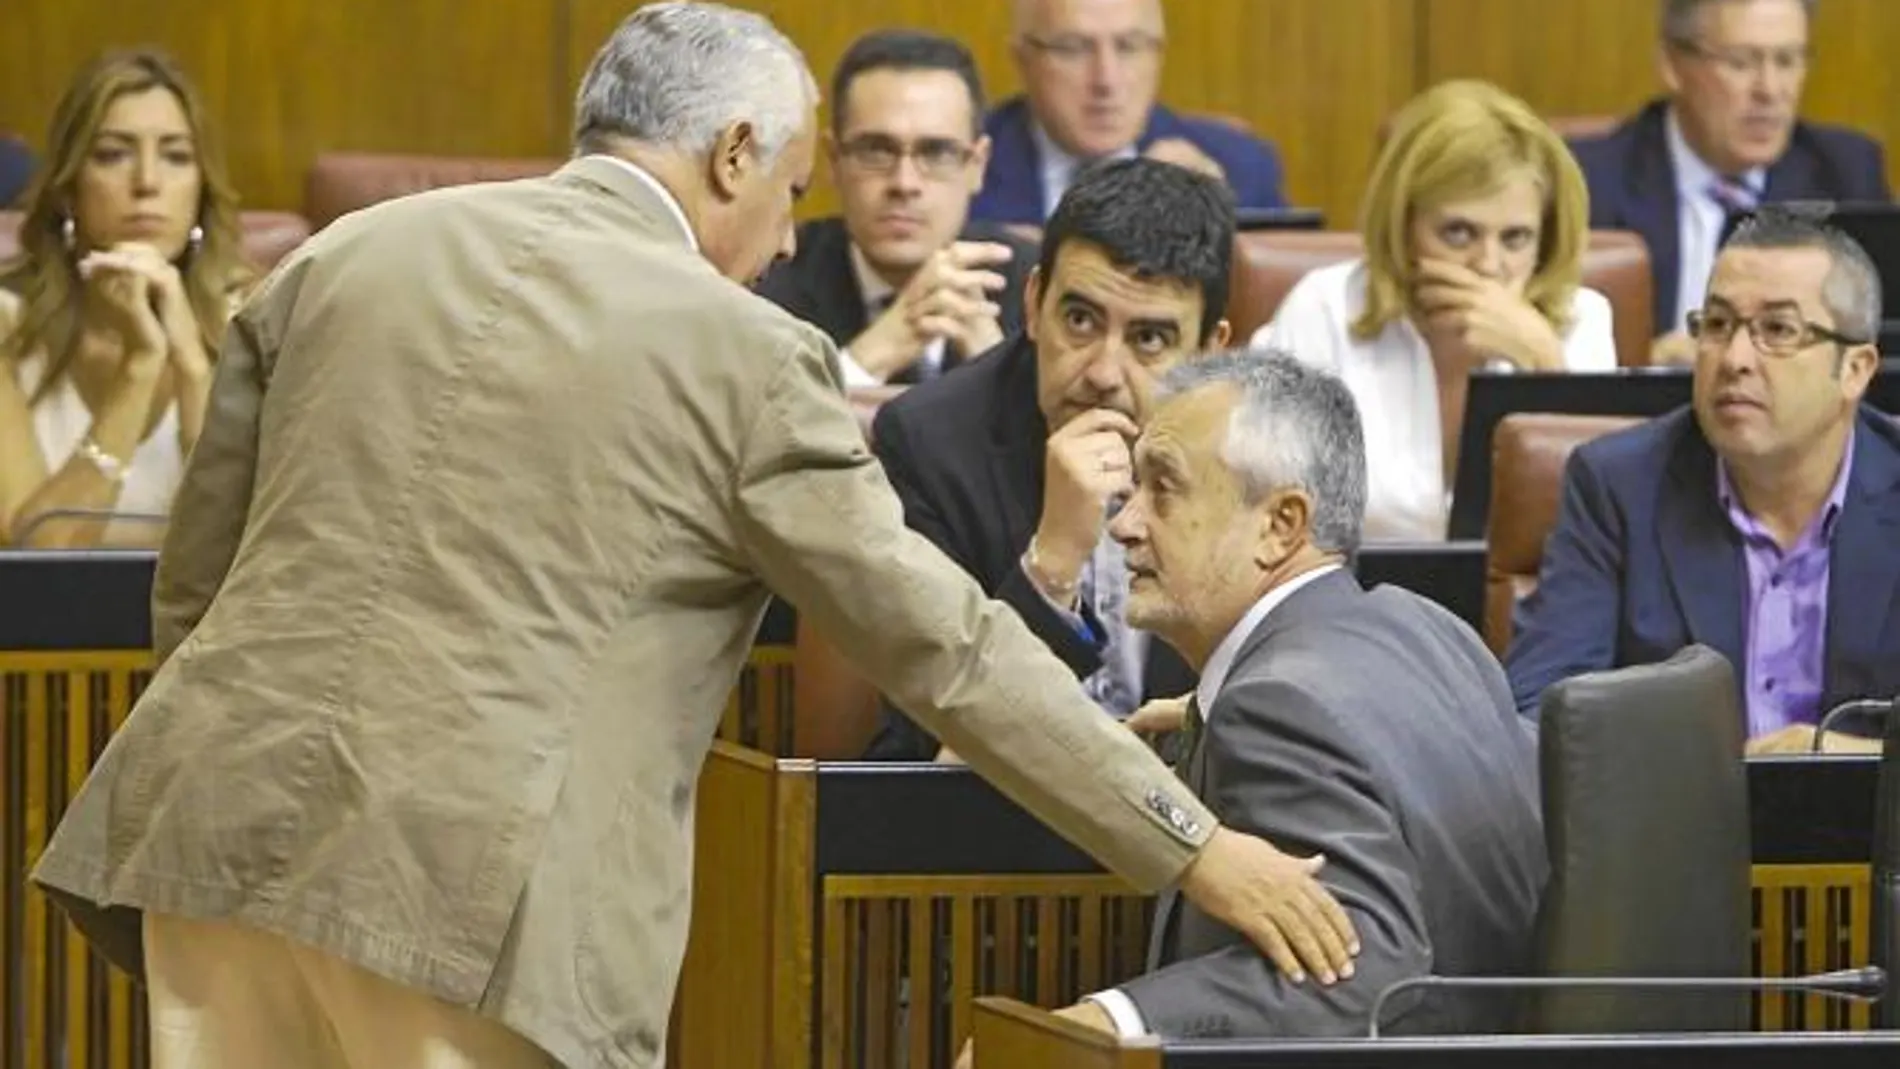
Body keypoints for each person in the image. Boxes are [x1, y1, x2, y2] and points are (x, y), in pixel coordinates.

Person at [28, 6, 1357, 1069]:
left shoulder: (346, 253)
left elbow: (197, 577)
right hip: (462, 900)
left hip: (210, 840)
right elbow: (941, 645)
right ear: (731, 153)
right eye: (789, 191)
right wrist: (1192, 843)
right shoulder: (746, 350)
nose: (788, 240)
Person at [960, 351, 1543, 1061]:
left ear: (1281, 524)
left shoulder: (1276, 703)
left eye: (1164, 488)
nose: (1124, 524)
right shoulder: (1427, 628)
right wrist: (1211, 721)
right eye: (1133, 485)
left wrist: (1110, 1021)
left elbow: (1359, 976)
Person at [862, 157, 1233, 762]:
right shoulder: (932, 442)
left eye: (1149, 340)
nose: (1104, 374)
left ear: (1211, 351)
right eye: (1080, 320)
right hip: (992, 812)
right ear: (1033, 304)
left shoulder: (1257, 452)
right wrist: (1053, 560)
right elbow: (930, 735)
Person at [1505, 206, 1899, 755]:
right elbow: (1540, 715)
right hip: (1674, 831)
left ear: (1854, 369)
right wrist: (1716, 773)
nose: (1734, 358)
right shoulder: (1618, 486)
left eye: (1777, 330)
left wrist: (1844, 756)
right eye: (1717, 325)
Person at [1254, 79, 1616, 541]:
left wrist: (1545, 368)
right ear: (1404, 224)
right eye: (1459, 234)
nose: (1488, 266)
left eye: (1515, 239)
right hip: (1356, 599)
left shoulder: (1579, 321)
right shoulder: (1324, 308)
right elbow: (1264, 505)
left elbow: (1596, 526)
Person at [0, 49, 252, 548]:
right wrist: (140, 366)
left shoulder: (255, 318)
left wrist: (195, 372)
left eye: (176, 156)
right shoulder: (8, 324)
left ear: (200, 190)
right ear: (69, 189)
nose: (148, 183)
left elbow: (239, 555)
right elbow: (33, 559)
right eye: (113, 153)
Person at [1570, 0, 1889, 363]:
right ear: (1672, 64)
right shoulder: (1588, 180)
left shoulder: (1846, 174)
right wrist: (1643, 364)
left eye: (1787, 60)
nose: (1769, 90)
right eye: (1741, 62)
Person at [755, 29, 1037, 386]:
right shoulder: (763, 284)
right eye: (876, 150)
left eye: (936, 153)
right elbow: (751, 436)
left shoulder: (1036, 288)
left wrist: (996, 376)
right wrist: (867, 360)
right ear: (833, 161)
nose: (904, 184)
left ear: (977, 165)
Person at [971, 0, 1286, 225]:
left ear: (1159, 55)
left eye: (1129, 47)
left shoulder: (1241, 168)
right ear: (1022, 59)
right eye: (1073, 48)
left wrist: (1214, 226)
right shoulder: (961, 165)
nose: (1106, 80)